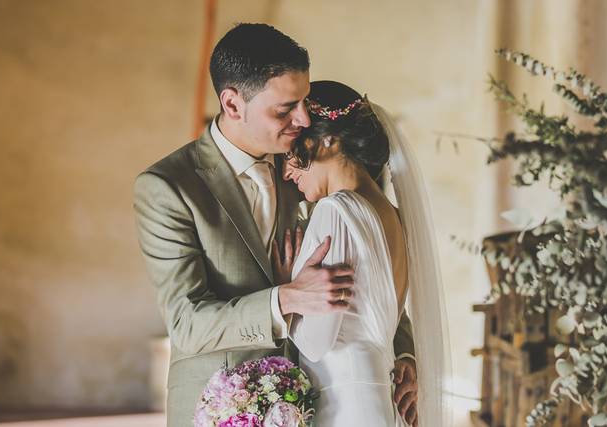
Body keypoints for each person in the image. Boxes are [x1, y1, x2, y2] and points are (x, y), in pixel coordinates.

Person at [133, 24, 418, 427]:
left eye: (303, 101)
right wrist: (285, 298)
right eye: (285, 109)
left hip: (320, 401)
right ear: (233, 105)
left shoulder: (307, 173)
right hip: (225, 406)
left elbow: (364, 271)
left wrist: (401, 354)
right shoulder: (170, 187)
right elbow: (186, 323)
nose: (303, 118)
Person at [279, 81, 449, 427]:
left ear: (328, 139)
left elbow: (314, 343)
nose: (287, 170)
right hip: (378, 397)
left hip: (345, 405)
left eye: (294, 151)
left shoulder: (335, 211)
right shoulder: (393, 215)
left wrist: (289, 288)